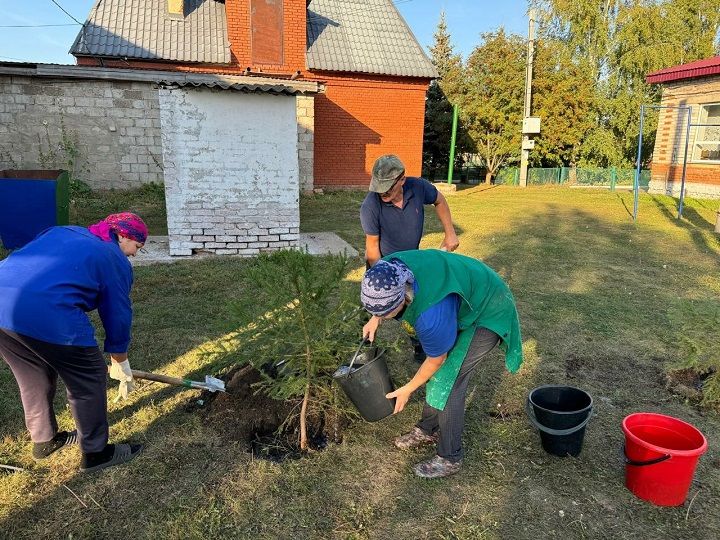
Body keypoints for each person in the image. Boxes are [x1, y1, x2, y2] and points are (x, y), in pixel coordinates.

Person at [0, 212, 147, 473]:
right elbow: (117, 313)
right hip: (46, 309)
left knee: (32, 374)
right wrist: (119, 360)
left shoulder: (63, 231)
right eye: (137, 247)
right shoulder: (113, 258)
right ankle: (96, 453)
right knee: (89, 377)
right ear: (123, 235)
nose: (134, 255)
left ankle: (44, 440)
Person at [360, 249, 523, 479]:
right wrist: (374, 318)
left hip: (489, 309)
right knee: (441, 378)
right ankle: (428, 429)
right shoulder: (385, 270)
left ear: (403, 298)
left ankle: (450, 457)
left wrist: (408, 388)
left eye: (387, 313)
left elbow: (437, 360)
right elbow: (380, 296)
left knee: (448, 379)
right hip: (466, 291)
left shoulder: (431, 315)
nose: (385, 317)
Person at [360, 154, 460, 362]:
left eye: (387, 187)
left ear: (402, 180)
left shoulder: (418, 187)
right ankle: (377, 343)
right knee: (392, 310)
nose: (381, 193)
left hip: (412, 262)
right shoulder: (370, 206)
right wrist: (382, 291)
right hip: (384, 267)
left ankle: (424, 345)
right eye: (378, 187)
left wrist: (449, 232)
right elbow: (372, 248)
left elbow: (439, 200)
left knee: (418, 306)